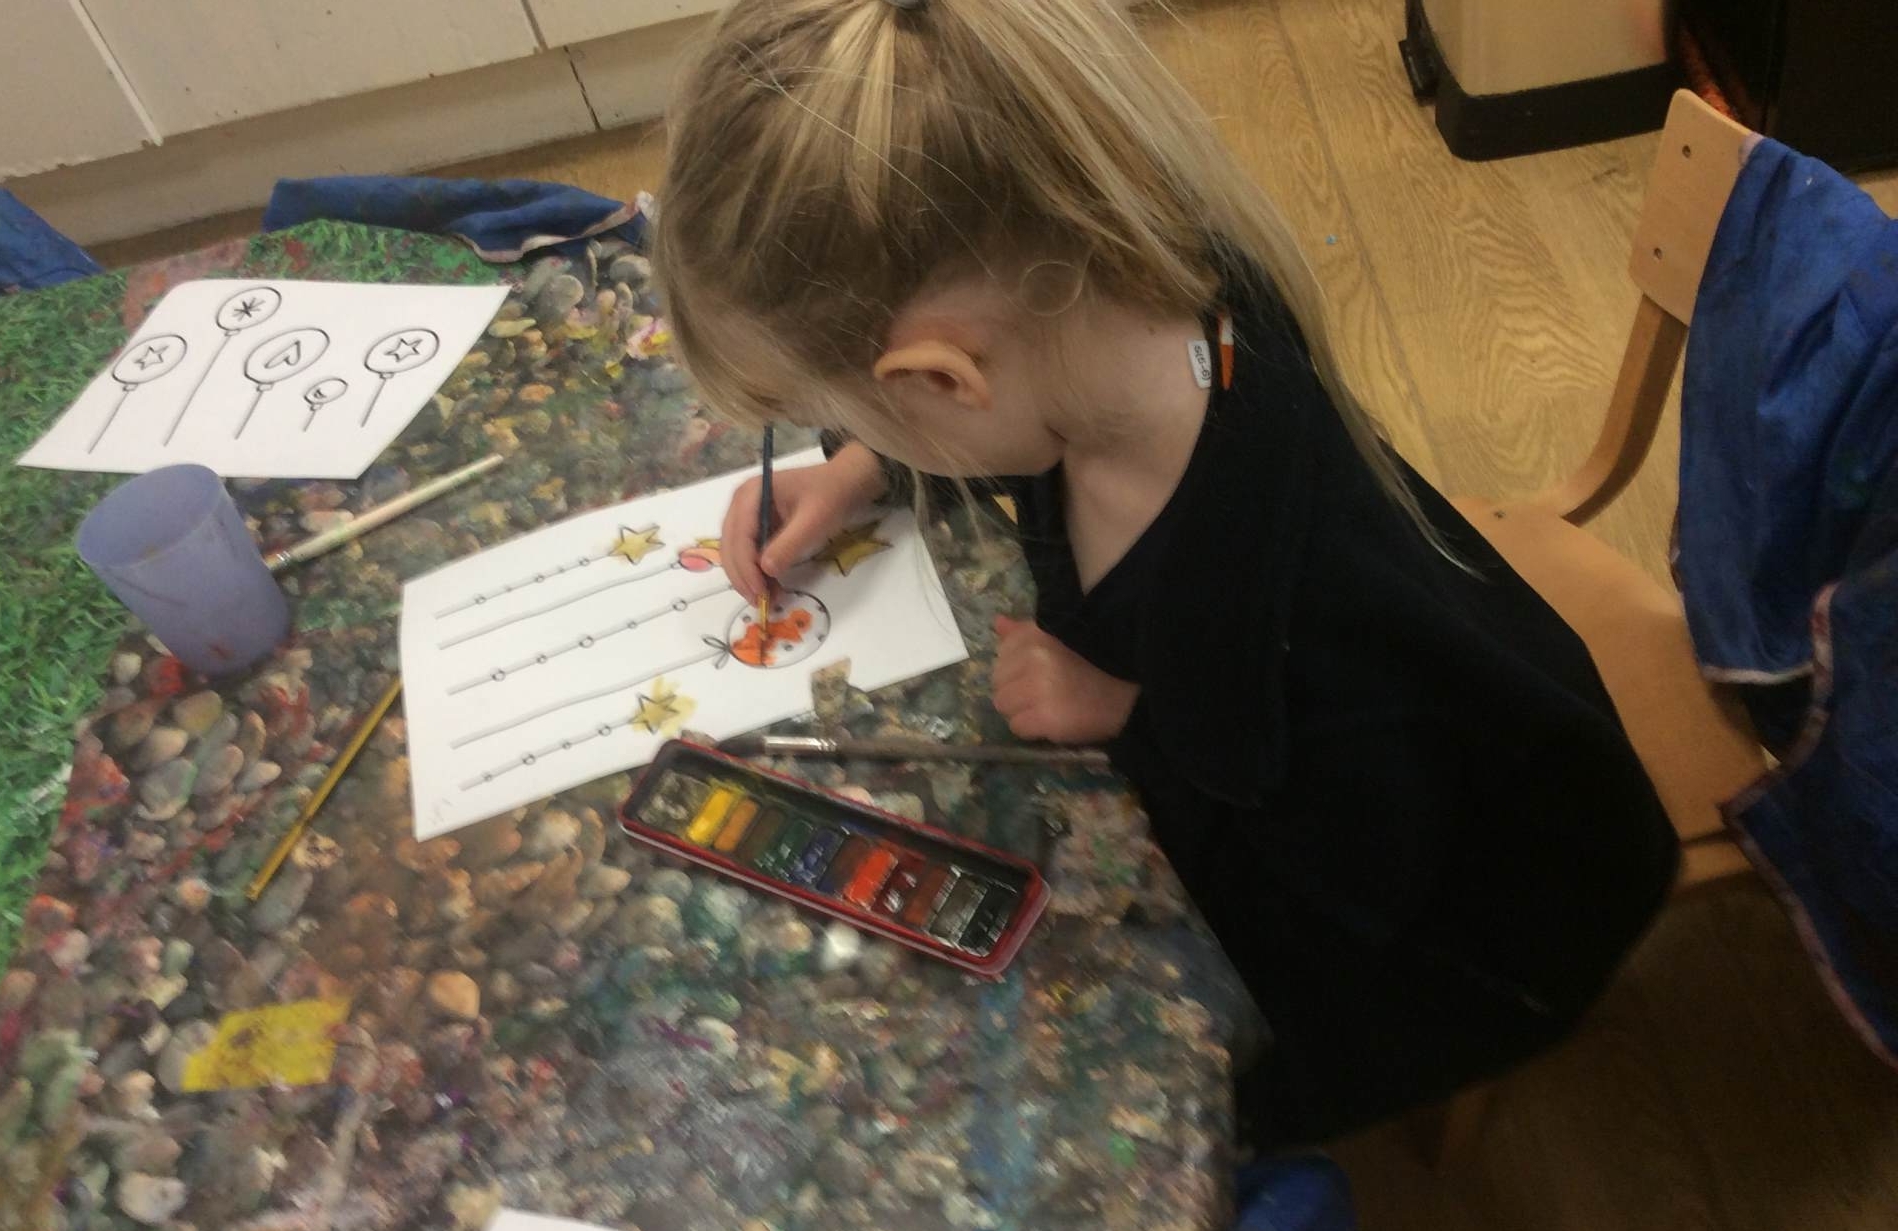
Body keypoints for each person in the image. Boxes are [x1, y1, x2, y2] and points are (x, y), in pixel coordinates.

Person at [654, 0, 1678, 1143]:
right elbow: (1001, 392)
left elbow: (1360, 837)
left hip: (1474, 922)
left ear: (940, 383)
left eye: (852, 412)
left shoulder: (1248, 588)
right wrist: (865, 468)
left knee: (1109, 1109)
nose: (864, 437)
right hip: (1387, 735)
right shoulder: (1137, 292)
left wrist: (1126, 710)